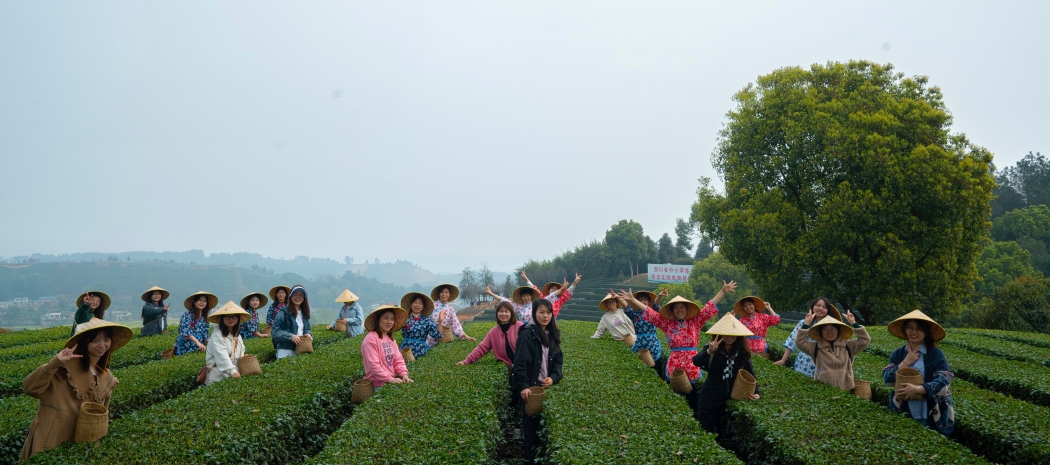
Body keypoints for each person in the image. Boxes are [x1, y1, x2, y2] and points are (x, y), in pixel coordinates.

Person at [20, 319, 132, 461]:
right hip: (52, 437)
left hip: (82, 441)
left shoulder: (106, 375)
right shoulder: (65, 368)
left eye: (107, 340)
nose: (102, 345)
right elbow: (30, 388)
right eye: (96, 340)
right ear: (85, 343)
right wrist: (53, 363)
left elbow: (102, 413)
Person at [616, 281, 733, 387]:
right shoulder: (667, 324)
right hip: (674, 365)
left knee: (693, 395)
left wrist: (722, 291)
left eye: (682, 307)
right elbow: (650, 312)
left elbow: (708, 307)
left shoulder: (695, 322)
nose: (679, 310)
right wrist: (632, 300)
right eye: (676, 308)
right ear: (672, 311)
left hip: (693, 363)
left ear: (687, 310)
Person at [883, 310, 955, 436]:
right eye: (909, 328)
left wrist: (917, 389)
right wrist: (906, 361)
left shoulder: (935, 354)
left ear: (926, 332)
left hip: (931, 411)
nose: (913, 332)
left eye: (919, 329)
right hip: (904, 408)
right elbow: (888, 380)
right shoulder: (898, 354)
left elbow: (943, 381)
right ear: (904, 330)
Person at [511, 299, 563, 462]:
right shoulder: (527, 333)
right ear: (534, 313)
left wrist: (554, 378)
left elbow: (558, 362)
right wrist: (524, 386)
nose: (545, 316)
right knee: (531, 433)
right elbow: (519, 364)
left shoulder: (553, 333)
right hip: (531, 391)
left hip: (547, 388)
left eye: (548, 312)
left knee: (545, 431)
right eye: (541, 312)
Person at [692, 313, 760, 434]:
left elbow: (750, 373)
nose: (729, 337)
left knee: (723, 434)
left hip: (729, 398)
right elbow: (696, 361)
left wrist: (756, 392)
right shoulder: (712, 347)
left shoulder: (741, 352)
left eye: (733, 334)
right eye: (726, 334)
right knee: (706, 431)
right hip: (710, 397)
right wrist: (709, 351)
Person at [794, 308, 870, 391]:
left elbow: (865, 340)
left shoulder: (848, 346)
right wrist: (806, 324)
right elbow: (800, 342)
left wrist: (854, 323)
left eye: (833, 328)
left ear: (838, 331)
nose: (829, 331)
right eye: (825, 329)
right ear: (821, 332)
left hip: (847, 390)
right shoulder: (816, 347)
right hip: (824, 390)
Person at [774, 297, 842, 377]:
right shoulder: (803, 323)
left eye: (824, 307)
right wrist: (783, 360)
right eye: (818, 305)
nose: (820, 308)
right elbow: (792, 341)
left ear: (828, 311)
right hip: (803, 363)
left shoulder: (831, 327)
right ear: (813, 307)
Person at [361, 305, 412, 388]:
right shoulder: (370, 339)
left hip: (390, 382)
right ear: (378, 319)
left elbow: (398, 360)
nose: (389, 322)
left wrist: (404, 374)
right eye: (386, 318)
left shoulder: (391, 339)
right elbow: (374, 366)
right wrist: (391, 379)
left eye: (392, 319)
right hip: (377, 385)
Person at [459, 300, 522, 367]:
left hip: (523, 365)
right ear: (497, 313)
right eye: (501, 311)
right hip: (506, 367)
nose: (503, 314)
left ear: (511, 313)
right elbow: (482, 348)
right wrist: (466, 361)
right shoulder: (493, 332)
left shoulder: (520, 326)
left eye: (506, 311)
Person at [623, 288, 669, 379]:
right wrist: (619, 298)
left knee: (657, 367)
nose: (643, 302)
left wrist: (659, 295)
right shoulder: (635, 314)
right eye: (641, 300)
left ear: (649, 302)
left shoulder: (652, 313)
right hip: (640, 343)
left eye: (645, 300)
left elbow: (656, 305)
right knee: (640, 369)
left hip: (652, 344)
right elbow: (627, 307)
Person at [204, 301, 249, 385]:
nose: (231, 319)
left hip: (233, 375)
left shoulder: (237, 335)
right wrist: (232, 370)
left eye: (234, 317)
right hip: (217, 377)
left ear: (238, 318)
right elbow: (222, 355)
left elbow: (241, 352)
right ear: (222, 318)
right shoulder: (217, 335)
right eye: (227, 317)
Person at [271, 285, 314, 359]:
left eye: (301, 295)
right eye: (295, 294)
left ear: (304, 298)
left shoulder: (304, 313)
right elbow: (275, 332)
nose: (298, 297)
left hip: (301, 350)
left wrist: (309, 334)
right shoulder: (283, 313)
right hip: (285, 351)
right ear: (290, 296)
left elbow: (307, 329)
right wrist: (291, 337)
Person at [399, 292, 442, 359]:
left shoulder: (427, 320)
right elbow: (393, 328)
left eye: (420, 303)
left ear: (423, 307)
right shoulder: (405, 319)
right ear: (411, 304)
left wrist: (440, 321)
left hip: (420, 351)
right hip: (405, 350)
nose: (417, 305)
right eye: (415, 302)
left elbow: (437, 335)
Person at [175, 291, 217, 355]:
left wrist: (212, 342)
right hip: (186, 344)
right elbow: (186, 332)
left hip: (200, 345)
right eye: (200, 300)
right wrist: (198, 343)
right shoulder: (187, 315)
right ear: (194, 302)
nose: (202, 303)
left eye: (204, 301)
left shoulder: (204, 317)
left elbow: (205, 334)